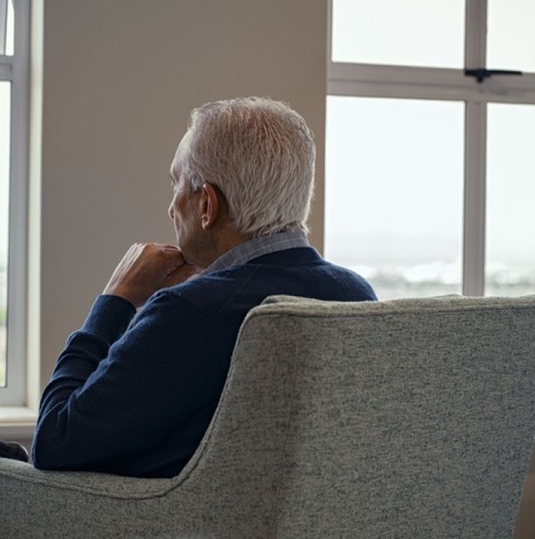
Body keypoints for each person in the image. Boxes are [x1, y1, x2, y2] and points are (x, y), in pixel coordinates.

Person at [30, 97, 377, 479]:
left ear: (207, 205)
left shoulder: (190, 312)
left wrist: (116, 300)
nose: (171, 208)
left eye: (176, 184)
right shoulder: (356, 296)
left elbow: (53, 443)